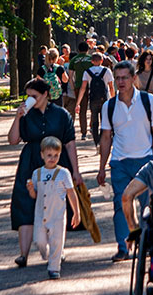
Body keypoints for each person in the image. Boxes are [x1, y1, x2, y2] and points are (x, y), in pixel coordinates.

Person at [8, 78, 83, 268]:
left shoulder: (61, 114)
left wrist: (75, 171)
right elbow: (13, 140)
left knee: (55, 204)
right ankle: (23, 254)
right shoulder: (26, 114)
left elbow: (70, 143)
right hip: (31, 160)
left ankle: (58, 249)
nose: (29, 99)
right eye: (28, 96)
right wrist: (17, 117)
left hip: (57, 161)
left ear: (45, 95)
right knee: (24, 202)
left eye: (34, 96)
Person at [95, 60, 153, 262]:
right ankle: (123, 246)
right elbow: (106, 137)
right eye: (117, 78)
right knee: (120, 203)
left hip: (144, 160)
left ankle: (147, 244)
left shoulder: (148, 100)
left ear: (134, 78)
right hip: (120, 162)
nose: (121, 82)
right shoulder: (109, 106)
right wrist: (101, 167)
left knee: (147, 205)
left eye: (125, 77)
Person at [26, 136, 81, 279]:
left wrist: (76, 212)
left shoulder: (63, 173)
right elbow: (35, 195)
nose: (52, 158)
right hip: (40, 214)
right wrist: (31, 189)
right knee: (39, 241)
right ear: (42, 155)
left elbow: (71, 192)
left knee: (57, 241)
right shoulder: (37, 173)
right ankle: (48, 254)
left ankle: (54, 268)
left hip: (57, 214)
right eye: (49, 155)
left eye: (56, 155)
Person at [75, 52, 115, 145]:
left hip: (93, 98)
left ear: (92, 61)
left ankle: (96, 140)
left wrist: (78, 103)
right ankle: (102, 139)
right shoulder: (107, 71)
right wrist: (113, 99)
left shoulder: (87, 72)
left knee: (94, 118)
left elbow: (83, 88)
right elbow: (111, 87)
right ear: (102, 60)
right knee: (104, 119)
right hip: (105, 99)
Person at [66, 43, 94, 138]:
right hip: (92, 86)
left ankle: (83, 132)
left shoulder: (74, 60)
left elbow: (70, 77)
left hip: (79, 86)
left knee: (82, 109)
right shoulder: (91, 59)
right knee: (94, 108)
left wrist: (73, 87)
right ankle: (92, 126)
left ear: (78, 49)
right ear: (88, 49)